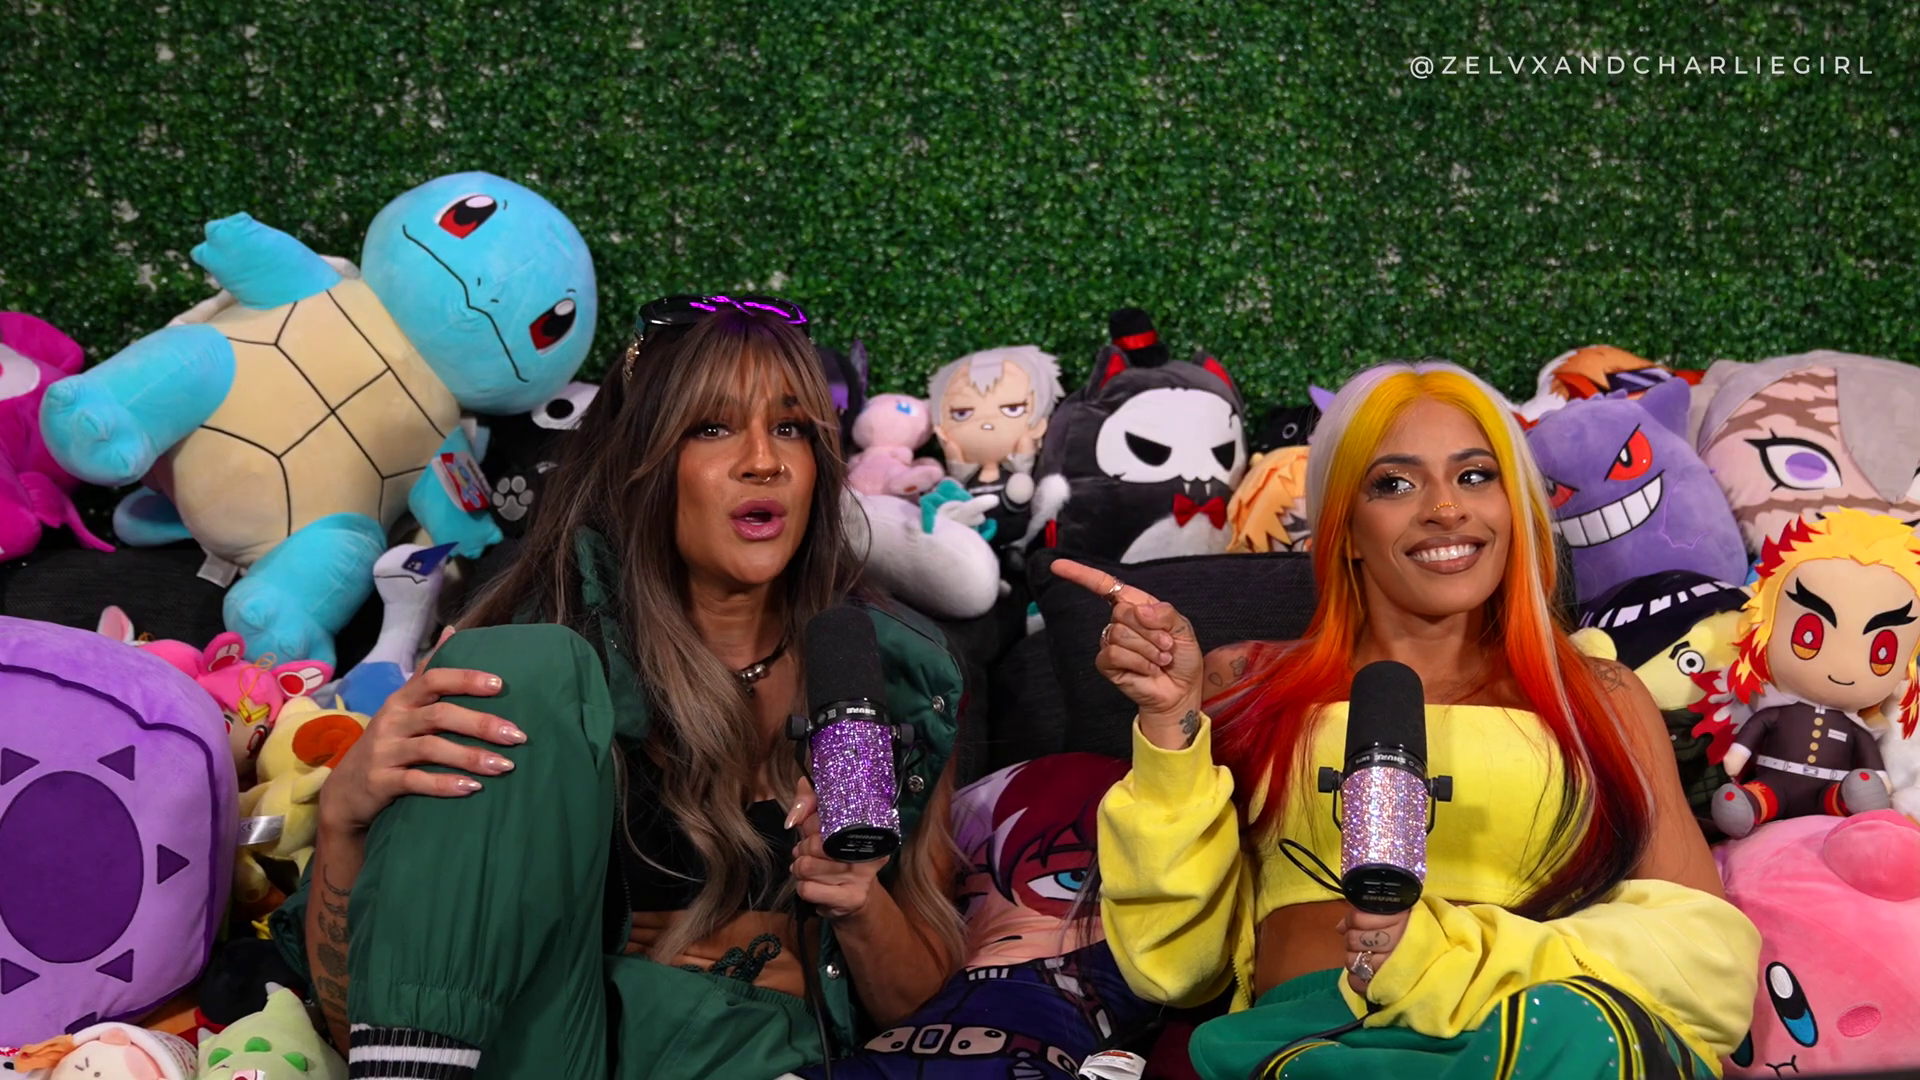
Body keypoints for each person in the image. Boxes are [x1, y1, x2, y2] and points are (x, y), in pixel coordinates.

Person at [269, 296, 969, 1080]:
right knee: (524, 665)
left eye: (791, 427)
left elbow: (923, 1006)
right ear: (645, 460)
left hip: (774, 1059)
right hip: (555, 1054)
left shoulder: (897, 674)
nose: (762, 461)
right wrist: (343, 817)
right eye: (712, 428)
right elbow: (347, 1015)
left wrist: (857, 899)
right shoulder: (523, 667)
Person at [1053, 361, 1761, 1079]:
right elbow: (1175, 966)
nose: (1446, 508)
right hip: (1311, 1049)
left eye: (1475, 476)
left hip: (1542, 1040)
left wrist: (1445, 954)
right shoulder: (1246, 681)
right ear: (1345, 529)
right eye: (1394, 484)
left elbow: (1707, 961)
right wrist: (1169, 722)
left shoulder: (1600, 696)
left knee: (1579, 1034)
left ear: (1515, 508)